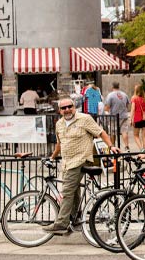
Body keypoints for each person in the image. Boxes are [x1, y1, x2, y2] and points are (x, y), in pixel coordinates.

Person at [43, 97, 119, 234]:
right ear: (59, 110)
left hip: (80, 160)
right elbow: (60, 144)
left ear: (74, 106)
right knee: (74, 192)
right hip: (67, 162)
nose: (67, 110)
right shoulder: (59, 124)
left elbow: (100, 132)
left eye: (69, 106)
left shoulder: (84, 119)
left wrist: (111, 146)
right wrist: (52, 157)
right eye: (63, 108)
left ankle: (61, 223)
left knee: (66, 191)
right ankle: (75, 219)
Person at [104, 82, 131, 151]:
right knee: (124, 131)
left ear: (112, 87)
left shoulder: (110, 95)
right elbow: (127, 105)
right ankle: (127, 146)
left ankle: (113, 146)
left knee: (113, 132)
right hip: (124, 115)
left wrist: (106, 112)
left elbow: (107, 107)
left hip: (114, 116)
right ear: (118, 86)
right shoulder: (124, 94)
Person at [130, 85, 145, 153]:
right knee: (144, 135)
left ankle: (141, 149)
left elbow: (132, 109)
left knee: (136, 135)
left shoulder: (134, 98)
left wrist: (131, 119)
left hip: (137, 119)